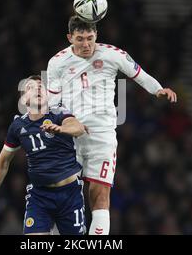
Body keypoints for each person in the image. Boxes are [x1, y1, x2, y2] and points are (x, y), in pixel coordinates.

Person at [46, 16, 177, 235]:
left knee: (100, 194)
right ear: (70, 38)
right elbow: (52, 103)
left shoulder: (113, 54)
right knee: (63, 193)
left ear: (96, 35)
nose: (86, 44)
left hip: (102, 134)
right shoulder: (57, 62)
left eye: (90, 38)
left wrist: (158, 89)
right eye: (80, 39)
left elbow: (139, 75)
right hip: (70, 133)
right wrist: (59, 124)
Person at [0, 75, 87, 235]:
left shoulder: (58, 113)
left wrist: (61, 129)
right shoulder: (18, 126)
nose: (38, 88)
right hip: (40, 196)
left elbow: (78, 128)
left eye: (41, 85)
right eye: (31, 87)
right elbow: (3, 163)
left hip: (69, 195)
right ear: (24, 99)